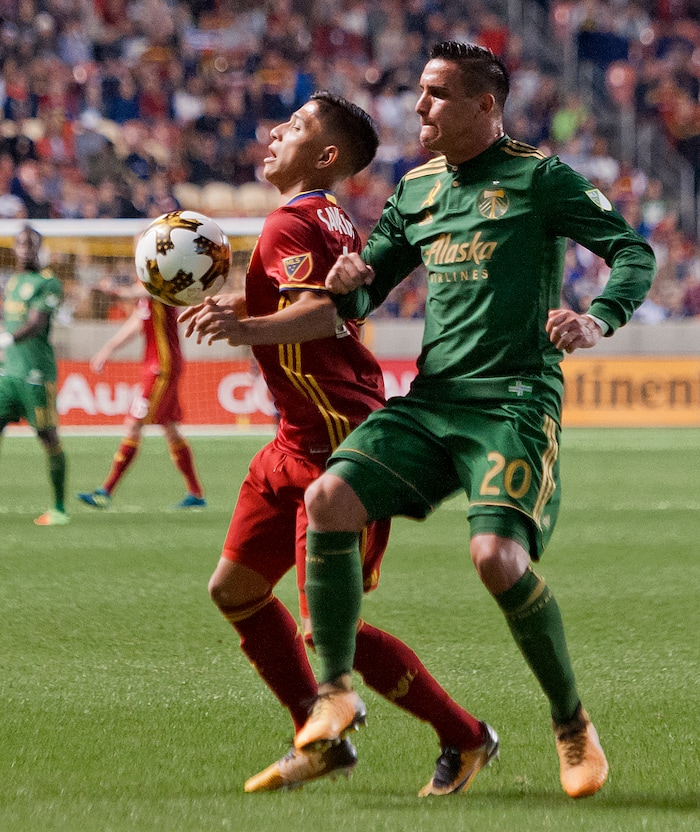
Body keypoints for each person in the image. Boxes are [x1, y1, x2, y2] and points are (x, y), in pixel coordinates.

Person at [294, 43, 657, 800]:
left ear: (483, 106)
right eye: (418, 94)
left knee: (496, 558)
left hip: (514, 402)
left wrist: (600, 317)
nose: (417, 108)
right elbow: (364, 294)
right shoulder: (415, 189)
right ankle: (332, 690)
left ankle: (570, 723)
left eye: (434, 95)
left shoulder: (541, 177)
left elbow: (631, 250)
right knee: (327, 500)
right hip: (433, 401)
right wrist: (347, 283)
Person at [180, 90, 497, 795]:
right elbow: (316, 301)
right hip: (296, 440)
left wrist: (246, 330)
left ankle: (467, 736)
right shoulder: (320, 216)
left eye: (292, 127)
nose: (272, 133)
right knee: (235, 589)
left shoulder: (289, 221)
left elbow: (321, 316)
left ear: (324, 156)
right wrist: (251, 307)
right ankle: (316, 737)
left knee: (332, 633)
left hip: (343, 447)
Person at [77, 285, 206, 510]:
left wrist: (115, 290)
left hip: (162, 368)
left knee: (134, 424)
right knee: (170, 427)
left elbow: (142, 292)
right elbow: (137, 322)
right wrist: (108, 349)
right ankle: (195, 494)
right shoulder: (148, 292)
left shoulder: (159, 282)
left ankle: (105, 491)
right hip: (156, 366)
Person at [0, 225, 69, 526]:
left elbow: (37, 323)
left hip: (37, 374)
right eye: (21, 243)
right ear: (14, 247)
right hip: (8, 374)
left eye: (32, 244)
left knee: (47, 436)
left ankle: (58, 507)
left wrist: (7, 340)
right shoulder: (12, 281)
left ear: (40, 248)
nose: (26, 248)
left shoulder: (49, 282)